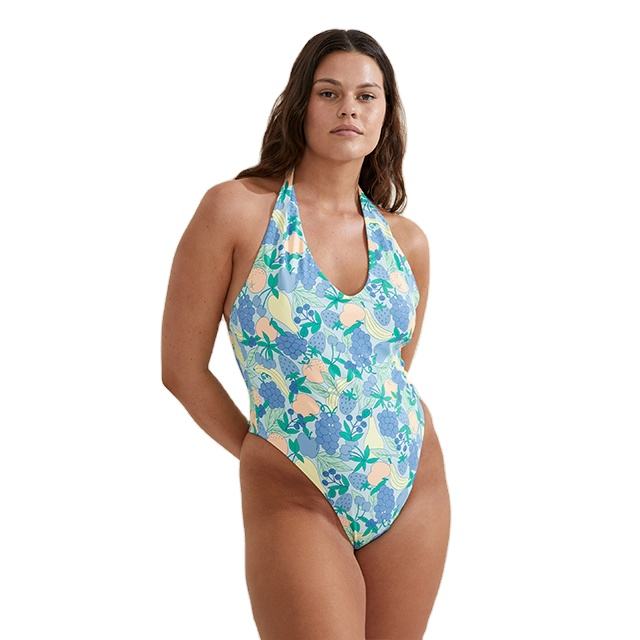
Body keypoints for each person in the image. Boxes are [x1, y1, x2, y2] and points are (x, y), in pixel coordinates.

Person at [162, 28, 451, 640]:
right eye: (329, 92)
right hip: (293, 488)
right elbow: (181, 369)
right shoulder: (236, 210)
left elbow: (388, 368)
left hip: (409, 482)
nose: (349, 108)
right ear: (300, 104)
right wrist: (259, 449)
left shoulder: (408, 242)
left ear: (385, 116)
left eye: (367, 96)